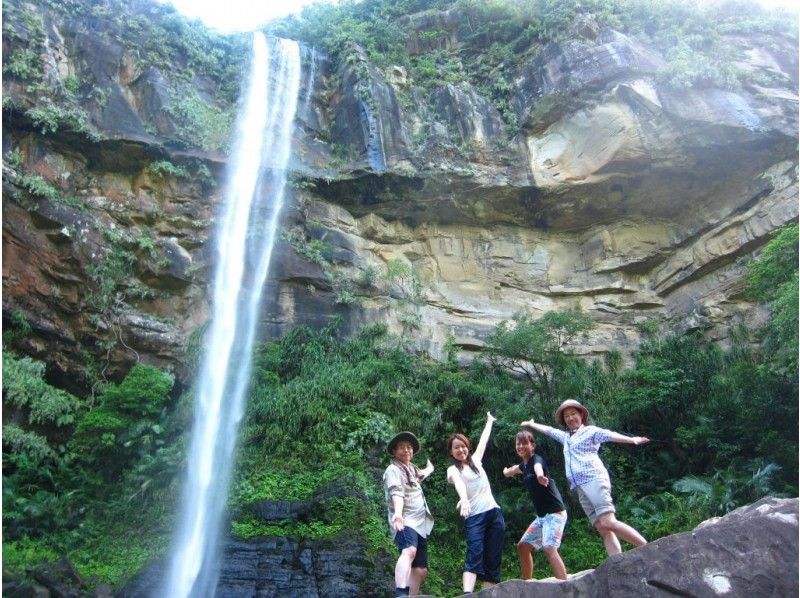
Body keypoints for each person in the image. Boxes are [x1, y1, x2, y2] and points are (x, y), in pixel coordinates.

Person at [521, 399, 649, 556]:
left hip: (594, 479)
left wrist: (632, 440)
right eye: (566, 416)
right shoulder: (566, 437)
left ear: (581, 415)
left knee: (608, 521)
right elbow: (549, 431)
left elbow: (609, 435)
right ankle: (617, 563)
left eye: (573, 413)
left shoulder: (590, 431)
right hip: (579, 486)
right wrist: (532, 424)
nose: (570, 418)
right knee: (602, 527)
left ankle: (647, 548)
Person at [446, 412, 506, 593]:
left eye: (463, 446)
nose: (461, 450)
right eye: (456, 448)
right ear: (451, 451)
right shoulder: (452, 469)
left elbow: (484, 441)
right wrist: (463, 499)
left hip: (494, 513)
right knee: (474, 553)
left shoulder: (477, 461)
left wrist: (489, 422)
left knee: (493, 558)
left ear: (467, 447)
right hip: (475, 516)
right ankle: (467, 594)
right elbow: (457, 482)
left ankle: (488, 594)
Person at [503, 429, 568, 581]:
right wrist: (506, 472)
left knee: (549, 547)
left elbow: (538, 468)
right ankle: (527, 585)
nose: (521, 446)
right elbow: (514, 469)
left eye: (525, 443)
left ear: (533, 445)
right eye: (518, 444)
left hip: (555, 513)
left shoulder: (537, 460)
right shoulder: (523, 466)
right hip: (542, 517)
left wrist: (540, 476)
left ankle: (566, 587)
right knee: (523, 546)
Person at [383, 431, 435, 597]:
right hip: (405, 520)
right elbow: (396, 493)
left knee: (420, 569)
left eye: (409, 447)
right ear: (394, 451)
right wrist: (398, 514)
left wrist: (430, 468)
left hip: (421, 522)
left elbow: (422, 475)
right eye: (402, 447)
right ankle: (400, 593)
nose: (406, 450)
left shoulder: (412, 470)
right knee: (409, 550)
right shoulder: (393, 469)